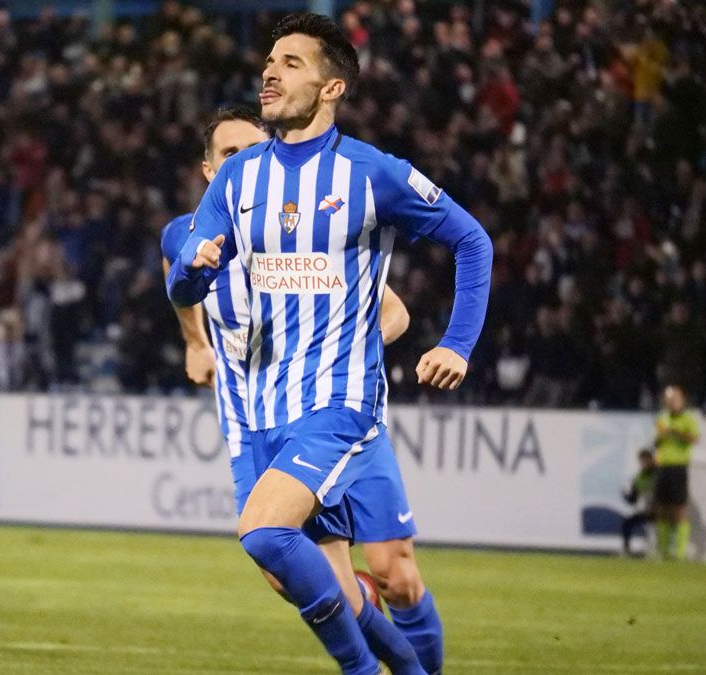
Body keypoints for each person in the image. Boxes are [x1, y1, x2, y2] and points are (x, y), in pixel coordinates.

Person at [168, 13, 492, 675]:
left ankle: (366, 670)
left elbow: (472, 241)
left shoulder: (372, 174)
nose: (270, 70)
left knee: (319, 548)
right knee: (311, 574)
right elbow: (180, 282)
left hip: (339, 403)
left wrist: (457, 342)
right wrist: (193, 274)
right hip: (260, 413)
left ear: (332, 87)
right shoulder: (238, 181)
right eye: (270, 60)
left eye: (291, 62)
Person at [654, 385, 699, 560]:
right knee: (662, 508)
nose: (672, 403)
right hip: (663, 466)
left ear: (682, 401)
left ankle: (679, 552)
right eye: (669, 400)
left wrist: (672, 432)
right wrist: (659, 436)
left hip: (678, 467)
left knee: (679, 509)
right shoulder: (662, 418)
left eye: (675, 400)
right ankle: (663, 550)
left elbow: (694, 438)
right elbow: (658, 442)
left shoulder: (688, 419)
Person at [620, 448, 657, 556]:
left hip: (661, 510)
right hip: (647, 511)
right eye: (641, 461)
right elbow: (633, 500)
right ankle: (626, 549)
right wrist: (625, 495)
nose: (643, 464)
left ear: (651, 460)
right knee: (626, 522)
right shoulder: (638, 478)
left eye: (646, 461)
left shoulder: (658, 475)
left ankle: (661, 550)